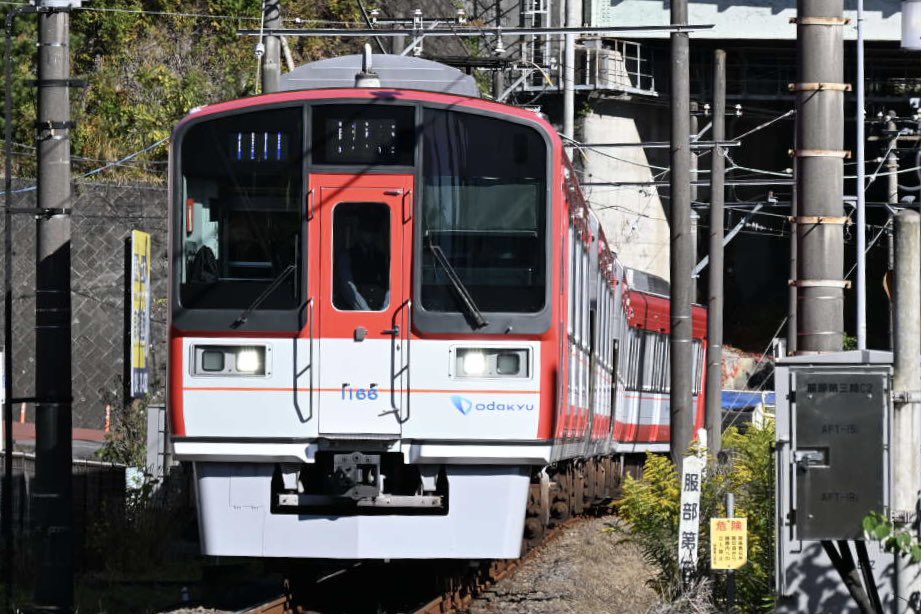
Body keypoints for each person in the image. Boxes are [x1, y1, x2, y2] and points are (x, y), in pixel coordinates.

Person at [334, 213, 389, 310]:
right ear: (359, 232)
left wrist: (384, 309)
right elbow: (347, 288)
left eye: (373, 231)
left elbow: (388, 286)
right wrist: (365, 311)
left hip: (378, 308)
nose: (370, 235)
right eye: (366, 230)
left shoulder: (381, 257)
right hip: (352, 311)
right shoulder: (346, 256)